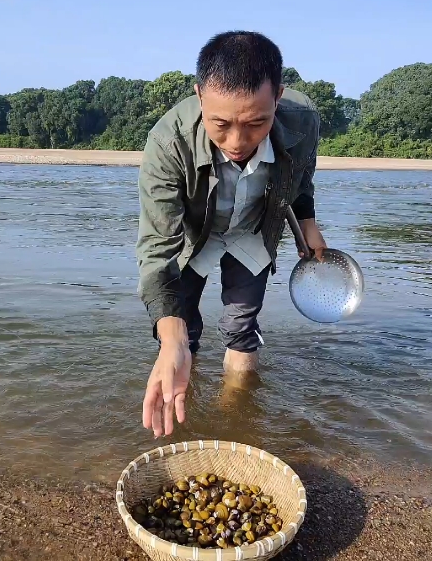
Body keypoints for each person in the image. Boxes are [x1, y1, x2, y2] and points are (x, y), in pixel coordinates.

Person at [135, 30, 328, 438]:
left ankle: (235, 420)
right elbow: (156, 252)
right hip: (193, 236)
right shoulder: (168, 142)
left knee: (241, 325)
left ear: (278, 97)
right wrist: (171, 342)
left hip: (253, 231)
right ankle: (190, 404)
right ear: (200, 95)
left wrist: (307, 223)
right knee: (180, 328)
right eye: (220, 125)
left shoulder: (303, 121)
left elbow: (302, 175)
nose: (237, 142)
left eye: (257, 123)